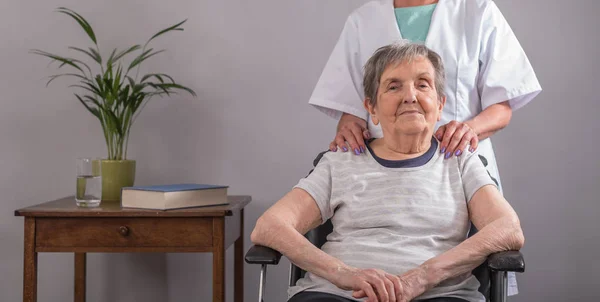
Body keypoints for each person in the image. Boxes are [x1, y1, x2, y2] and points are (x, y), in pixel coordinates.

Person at [251, 43, 524, 302]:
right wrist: (344, 274)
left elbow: (508, 229)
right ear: (372, 108)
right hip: (337, 294)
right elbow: (269, 227)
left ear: (440, 103)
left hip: (439, 295)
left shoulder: (460, 161)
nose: (410, 96)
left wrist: (421, 277)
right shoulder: (340, 161)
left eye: (422, 84)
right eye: (394, 86)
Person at [308, 0, 540, 294]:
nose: (410, 97)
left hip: (453, 163)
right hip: (378, 172)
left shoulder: (477, 11)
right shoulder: (362, 20)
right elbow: (350, 108)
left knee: (461, 261)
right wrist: (349, 127)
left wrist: (469, 129)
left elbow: (502, 105)